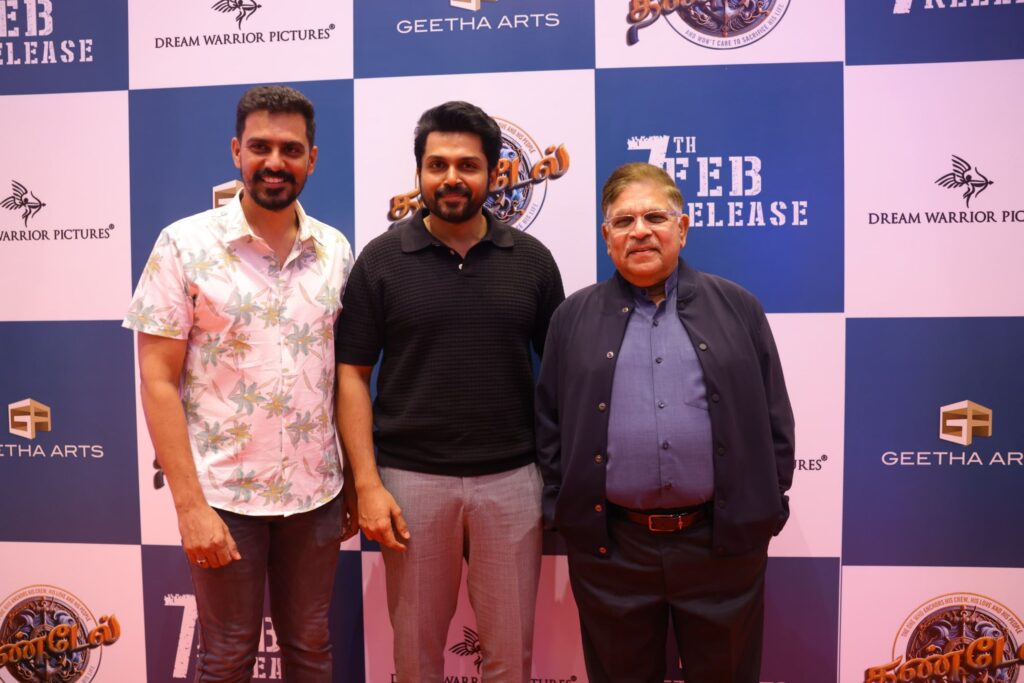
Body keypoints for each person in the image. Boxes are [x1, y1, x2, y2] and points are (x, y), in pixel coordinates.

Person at [124, 85, 355, 682]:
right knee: (227, 656)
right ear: (236, 151)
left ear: (312, 159)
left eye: (290, 149)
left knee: (311, 648)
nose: (275, 162)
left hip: (315, 495)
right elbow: (156, 380)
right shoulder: (184, 244)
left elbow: (344, 374)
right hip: (224, 498)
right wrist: (189, 508)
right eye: (260, 147)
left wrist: (355, 481)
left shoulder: (335, 250)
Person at [535, 162, 795, 683]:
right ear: (606, 236)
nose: (640, 231)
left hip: (721, 546)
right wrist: (568, 515)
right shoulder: (572, 318)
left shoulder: (738, 307)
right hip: (612, 552)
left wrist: (765, 506)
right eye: (623, 221)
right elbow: (550, 426)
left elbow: (775, 420)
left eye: (655, 216)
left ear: (683, 227)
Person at [335, 100, 564, 682]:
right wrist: (367, 484)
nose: (451, 178)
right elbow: (352, 375)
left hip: (513, 482)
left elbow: (562, 378)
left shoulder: (533, 262)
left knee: (510, 658)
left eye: (468, 165)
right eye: (437, 165)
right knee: (414, 659)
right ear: (419, 172)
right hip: (410, 484)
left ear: (494, 172)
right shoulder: (381, 261)